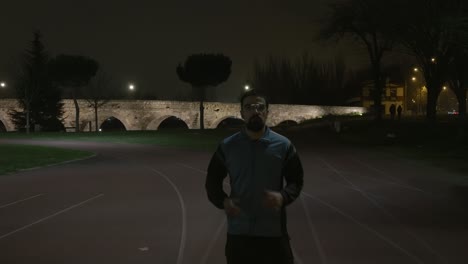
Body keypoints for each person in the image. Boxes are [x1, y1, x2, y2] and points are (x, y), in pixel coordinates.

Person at [205, 89, 304, 264]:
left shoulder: (284, 145)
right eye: (249, 107)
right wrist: (223, 201)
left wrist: (283, 196)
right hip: (239, 233)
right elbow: (212, 180)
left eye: (260, 107)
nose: (255, 111)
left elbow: (296, 180)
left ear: (267, 111)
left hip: (273, 233)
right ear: (242, 113)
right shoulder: (228, 146)